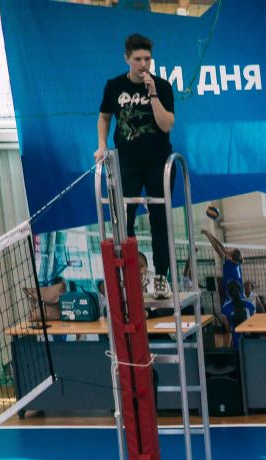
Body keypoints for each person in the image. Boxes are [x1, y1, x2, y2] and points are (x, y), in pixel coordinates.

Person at [95, 34, 176, 300]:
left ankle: (161, 276)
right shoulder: (114, 86)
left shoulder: (162, 87)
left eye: (147, 59)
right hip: (128, 163)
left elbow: (166, 124)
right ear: (127, 59)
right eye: (138, 59)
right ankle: (131, 277)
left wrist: (152, 94)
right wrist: (102, 145)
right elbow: (104, 117)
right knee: (124, 219)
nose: (143, 64)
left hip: (158, 162)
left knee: (159, 220)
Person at [201, 224, 254, 343]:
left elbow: (219, 247)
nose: (228, 251)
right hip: (239, 299)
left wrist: (209, 234)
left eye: (230, 251)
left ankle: (234, 345)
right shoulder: (236, 264)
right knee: (237, 328)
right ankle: (235, 344)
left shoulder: (230, 264)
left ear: (231, 257)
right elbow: (219, 247)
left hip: (232, 300)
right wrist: (209, 235)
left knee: (231, 327)